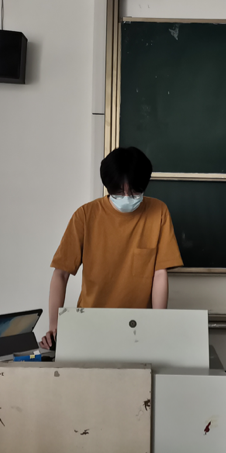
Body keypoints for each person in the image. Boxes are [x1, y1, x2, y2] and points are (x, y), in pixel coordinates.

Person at [39, 147, 182, 349]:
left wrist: (158, 324)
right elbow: (61, 274)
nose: (127, 197)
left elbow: (160, 274)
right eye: (119, 192)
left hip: (139, 326)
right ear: (108, 186)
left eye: (134, 192)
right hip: (90, 323)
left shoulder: (158, 212)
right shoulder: (85, 216)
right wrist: (54, 326)